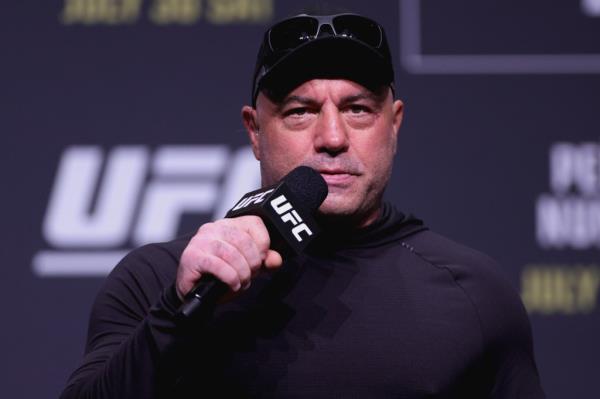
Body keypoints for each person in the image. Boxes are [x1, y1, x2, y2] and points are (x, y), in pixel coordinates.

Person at [60, 12, 545, 398]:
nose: (332, 138)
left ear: (394, 125)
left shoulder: (474, 294)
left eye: (358, 109)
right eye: (299, 112)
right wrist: (177, 312)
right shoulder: (156, 280)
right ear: (254, 131)